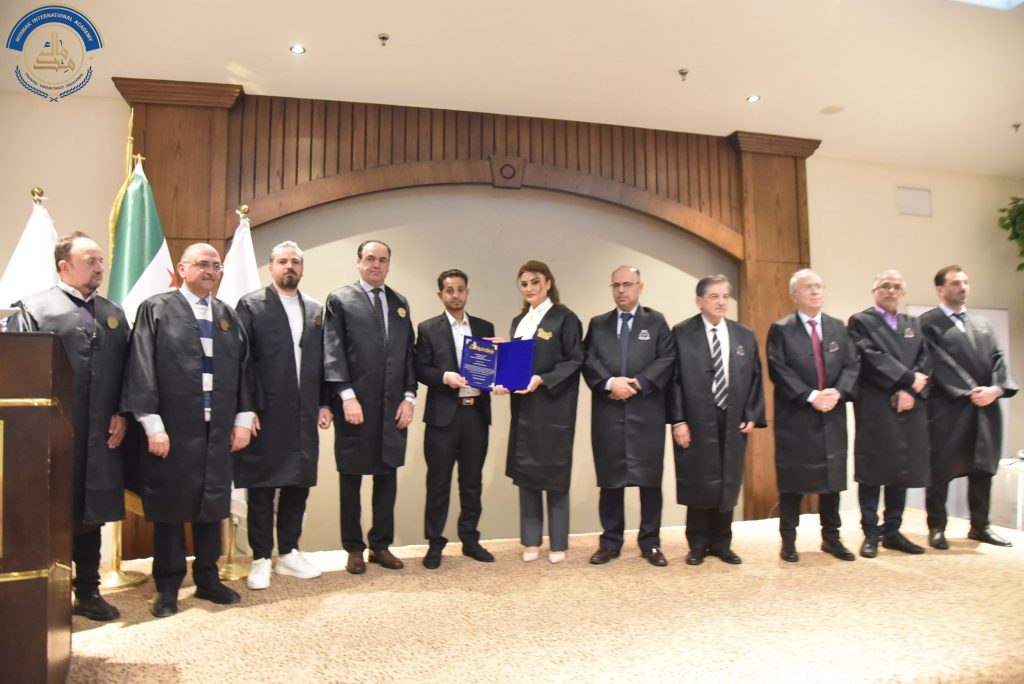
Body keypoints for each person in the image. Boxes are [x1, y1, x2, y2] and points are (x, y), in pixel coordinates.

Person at [121, 243, 254, 618]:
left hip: (218, 428)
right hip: (173, 428)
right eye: (203, 264)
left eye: (216, 266)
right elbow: (141, 366)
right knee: (169, 508)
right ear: (182, 269)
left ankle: (208, 579)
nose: (211, 271)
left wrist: (243, 420)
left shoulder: (227, 315)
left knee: (212, 505)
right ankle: (167, 586)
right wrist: (152, 425)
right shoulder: (156, 309)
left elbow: (245, 370)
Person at [11, 232, 129, 621]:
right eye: (91, 261)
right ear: (65, 266)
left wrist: (122, 412)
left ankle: (89, 592)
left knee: (91, 511)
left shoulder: (113, 313)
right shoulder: (34, 309)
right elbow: (22, 373)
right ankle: (47, 594)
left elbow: (131, 370)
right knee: (53, 510)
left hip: (100, 434)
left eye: (101, 260)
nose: (100, 267)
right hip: (53, 434)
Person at [234, 241, 332, 589]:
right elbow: (241, 360)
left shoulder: (316, 309)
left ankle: (289, 553)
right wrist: (246, 409)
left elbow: (325, 360)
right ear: (271, 267)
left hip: (303, 411)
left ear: (302, 268)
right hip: (265, 410)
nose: (289, 266)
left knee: (298, 484)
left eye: (295, 262)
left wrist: (325, 403)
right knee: (263, 487)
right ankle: (261, 557)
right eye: (282, 261)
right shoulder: (251, 305)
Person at [323, 239, 416, 574]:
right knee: (351, 477)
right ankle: (353, 548)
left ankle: (380, 545)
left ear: (389, 264)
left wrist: (409, 397)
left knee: (386, 475)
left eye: (383, 260)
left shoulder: (399, 302)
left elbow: (408, 354)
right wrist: (346, 397)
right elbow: (332, 351)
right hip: (355, 405)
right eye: (370, 259)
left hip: (392, 406)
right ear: (359, 262)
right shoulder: (340, 299)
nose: (376, 265)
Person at [920, 265, 1018, 549]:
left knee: (982, 469)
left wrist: (995, 390)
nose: (962, 287)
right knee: (940, 470)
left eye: (965, 282)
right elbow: (936, 360)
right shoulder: (928, 323)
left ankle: (980, 526)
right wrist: (968, 390)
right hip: (948, 407)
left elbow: (998, 359)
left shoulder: (982, 323)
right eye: (955, 283)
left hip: (985, 406)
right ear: (940, 289)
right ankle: (937, 527)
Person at [670, 274, 765, 566]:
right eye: (714, 296)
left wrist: (752, 413)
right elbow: (673, 381)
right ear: (699, 301)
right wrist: (678, 421)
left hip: (732, 417)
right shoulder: (682, 333)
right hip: (696, 418)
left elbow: (755, 377)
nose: (721, 302)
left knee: (728, 479)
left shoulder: (743, 334)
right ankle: (697, 544)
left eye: (725, 296)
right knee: (699, 479)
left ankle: (722, 543)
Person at [582, 265, 674, 567]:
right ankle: (610, 542)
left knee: (650, 481)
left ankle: (651, 543)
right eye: (616, 285)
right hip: (608, 410)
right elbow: (588, 360)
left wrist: (636, 384)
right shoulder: (598, 324)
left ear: (640, 287)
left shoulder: (656, 321)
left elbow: (667, 359)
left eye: (628, 284)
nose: (621, 291)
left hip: (646, 412)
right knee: (611, 479)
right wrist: (611, 383)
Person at [767, 268, 860, 563]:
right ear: (794, 295)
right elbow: (778, 369)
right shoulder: (781, 329)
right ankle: (789, 541)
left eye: (819, 286)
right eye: (808, 288)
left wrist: (838, 393)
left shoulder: (837, 327)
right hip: (797, 417)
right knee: (793, 482)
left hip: (832, 415)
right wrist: (811, 396)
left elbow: (852, 365)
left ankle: (831, 538)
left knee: (832, 481)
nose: (816, 291)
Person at [494, 260, 583, 564]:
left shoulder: (565, 318)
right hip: (525, 409)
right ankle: (531, 541)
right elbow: (518, 364)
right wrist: (502, 373)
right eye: (524, 284)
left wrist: (542, 379)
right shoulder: (519, 321)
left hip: (554, 408)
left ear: (548, 283)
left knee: (555, 475)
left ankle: (558, 542)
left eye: (535, 282)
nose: (529, 288)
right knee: (527, 474)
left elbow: (575, 360)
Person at [413, 269, 495, 569]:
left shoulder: (484, 327)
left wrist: (501, 370)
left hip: (476, 414)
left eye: (460, 289)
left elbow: (494, 369)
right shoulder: (428, 328)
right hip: (442, 418)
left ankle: (470, 540)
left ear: (467, 292)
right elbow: (419, 368)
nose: (456, 295)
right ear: (440, 295)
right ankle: (435, 543)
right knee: (438, 484)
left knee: (472, 483)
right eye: (449, 290)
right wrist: (444, 377)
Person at [847, 270, 931, 558]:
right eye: (885, 285)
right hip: (875, 404)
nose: (891, 290)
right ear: (874, 291)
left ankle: (892, 531)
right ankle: (871, 533)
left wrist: (911, 391)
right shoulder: (861, 321)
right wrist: (907, 379)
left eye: (896, 286)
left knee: (900, 469)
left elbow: (925, 358)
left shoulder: (913, 323)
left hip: (908, 405)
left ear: (903, 293)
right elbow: (870, 356)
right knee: (872, 470)